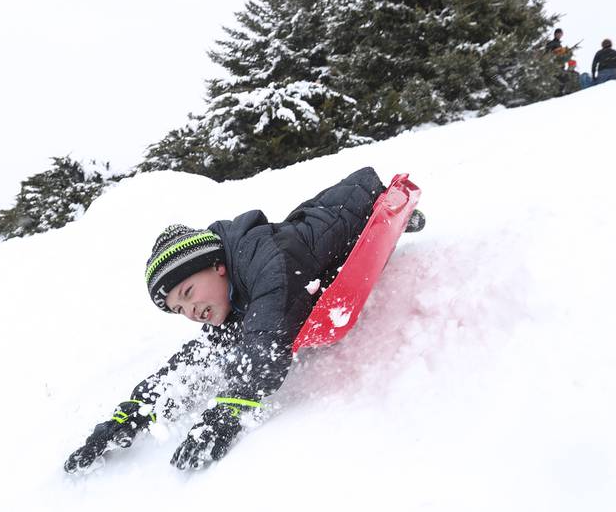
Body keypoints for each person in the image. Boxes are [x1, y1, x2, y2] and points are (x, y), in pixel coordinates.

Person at [63, 167, 426, 473]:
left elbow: (267, 338)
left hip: (356, 203)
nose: (189, 312)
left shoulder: (261, 258)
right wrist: (134, 412)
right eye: (179, 309)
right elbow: (196, 360)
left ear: (217, 266)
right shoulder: (233, 297)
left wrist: (231, 406)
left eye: (187, 293)